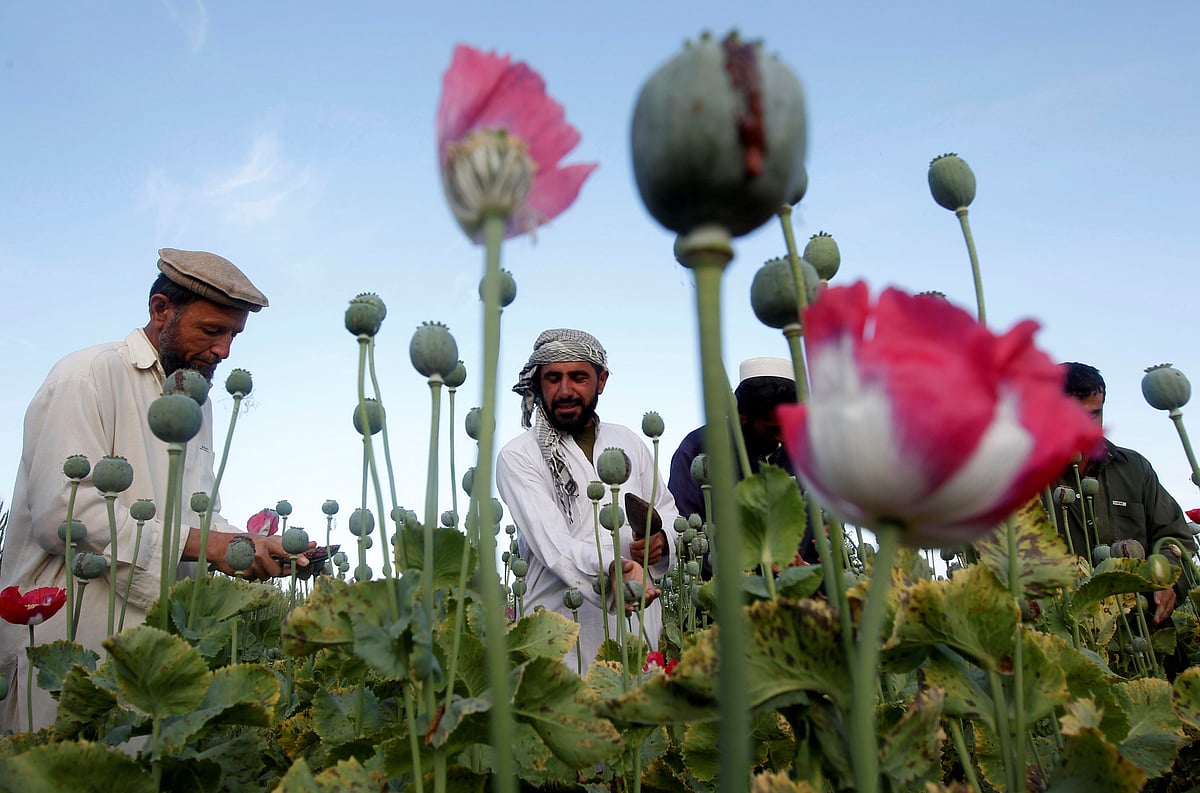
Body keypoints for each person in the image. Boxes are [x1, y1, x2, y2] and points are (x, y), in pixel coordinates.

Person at [0, 248, 306, 732]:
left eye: (233, 335)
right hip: (73, 637)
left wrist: (248, 548)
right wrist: (208, 544)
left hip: (160, 649)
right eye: (212, 331)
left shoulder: (196, 399)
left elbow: (199, 514)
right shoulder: (86, 376)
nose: (224, 351)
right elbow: (65, 514)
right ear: (160, 309)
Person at [496, 329, 680, 668]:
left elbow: (667, 510)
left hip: (637, 623)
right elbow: (555, 546)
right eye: (553, 378)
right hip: (558, 631)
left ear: (601, 380)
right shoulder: (519, 455)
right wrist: (613, 566)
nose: (565, 390)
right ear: (537, 384)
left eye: (578, 377)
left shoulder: (628, 441)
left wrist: (663, 541)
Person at [1051, 362, 1196, 625]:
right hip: (1064, 636)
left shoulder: (1134, 469)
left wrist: (1167, 582)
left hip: (1142, 632)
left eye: (1093, 415)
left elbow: (1175, 539)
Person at [668, 357, 817, 576]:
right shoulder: (700, 448)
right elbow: (684, 532)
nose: (784, 437)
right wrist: (754, 570)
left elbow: (819, 530)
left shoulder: (805, 453)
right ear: (742, 416)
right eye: (773, 428)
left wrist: (808, 571)